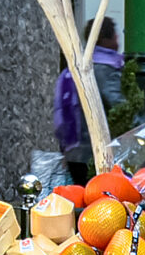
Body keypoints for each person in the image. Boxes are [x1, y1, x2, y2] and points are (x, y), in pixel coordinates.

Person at [54, 17, 125, 182]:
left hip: (74, 152)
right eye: (115, 36)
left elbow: (59, 114)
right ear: (105, 39)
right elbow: (118, 106)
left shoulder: (71, 70)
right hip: (96, 153)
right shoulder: (104, 69)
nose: (118, 41)